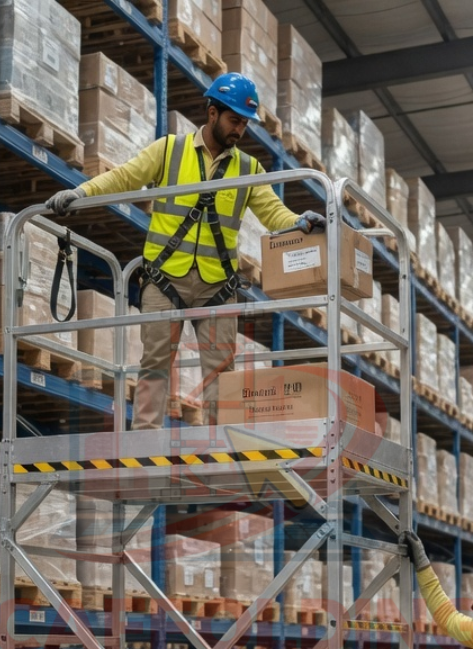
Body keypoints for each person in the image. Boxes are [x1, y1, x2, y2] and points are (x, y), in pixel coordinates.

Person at [46, 73, 324, 430]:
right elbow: (124, 178)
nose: (240, 130)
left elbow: (273, 214)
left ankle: (221, 454)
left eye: (244, 123)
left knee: (223, 376)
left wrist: (299, 220)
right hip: (165, 281)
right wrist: (82, 193)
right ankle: (144, 450)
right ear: (212, 113)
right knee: (154, 368)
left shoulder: (248, 169)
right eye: (234, 120)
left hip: (217, 287)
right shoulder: (169, 150)